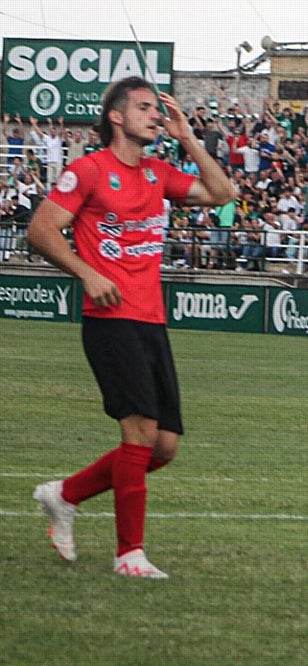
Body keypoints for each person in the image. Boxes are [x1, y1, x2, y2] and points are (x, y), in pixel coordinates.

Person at [27, 77, 236, 580]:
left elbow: (224, 193)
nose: (155, 115)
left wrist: (188, 136)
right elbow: (40, 230)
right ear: (116, 117)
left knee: (162, 448)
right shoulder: (89, 170)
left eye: (157, 109)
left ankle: (65, 494)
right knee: (139, 431)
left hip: (151, 320)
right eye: (144, 108)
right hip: (109, 320)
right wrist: (87, 272)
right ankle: (129, 555)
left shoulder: (158, 174)